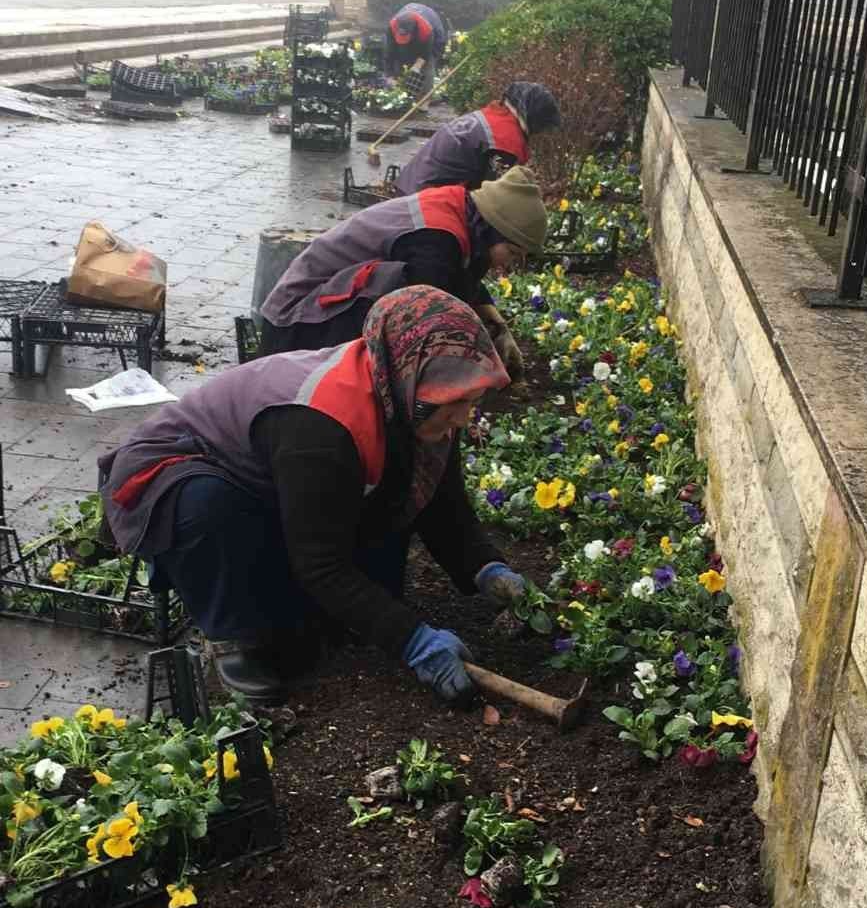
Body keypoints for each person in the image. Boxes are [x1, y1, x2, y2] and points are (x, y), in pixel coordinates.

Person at [98, 289, 526, 706]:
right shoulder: (321, 427)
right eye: (453, 401)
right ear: (410, 375)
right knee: (209, 508)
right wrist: (412, 640)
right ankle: (231, 639)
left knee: (363, 591)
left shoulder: (407, 392)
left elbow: (440, 503)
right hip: (172, 476)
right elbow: (321, 565)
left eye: (473, 400)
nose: (464, 416)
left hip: (273, 479)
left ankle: (283, 590)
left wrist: (485, 568)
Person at [259, 165, 548, 381]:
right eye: (512, 253)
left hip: (321, 311)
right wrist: (478, 369)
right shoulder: (436, 240)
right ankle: (358, 372)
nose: (509, 265)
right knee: (405, 295)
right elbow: (434, 315)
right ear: (493, 229)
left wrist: (500, 329)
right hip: (296, 323)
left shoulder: (466, 211)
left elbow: (465, 276)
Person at [395, 82, 561, 196]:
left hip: (412, 184)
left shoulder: (494, 116)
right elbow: (493, 197)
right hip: (428, 201)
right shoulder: (506, 140)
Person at [385, 2, 448, 98]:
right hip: (414, 34)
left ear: (413, 32)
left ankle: (423, 102)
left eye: (406, 36)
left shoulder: (426, 30)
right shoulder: (392, 26)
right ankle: (403, 97)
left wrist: (417, 66)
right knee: (399, 66)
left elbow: (425, 54)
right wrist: (390, 75)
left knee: (425, 70)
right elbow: (389, 52)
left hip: (434, 42)